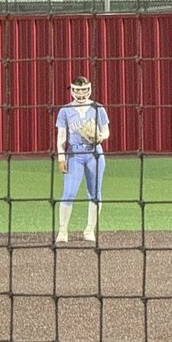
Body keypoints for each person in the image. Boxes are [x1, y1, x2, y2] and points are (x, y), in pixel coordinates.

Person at [55, 76, 111, 244]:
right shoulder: (65, 110)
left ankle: (89, 229)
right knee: (69, 193)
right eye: (77, 90)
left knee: (95, 193)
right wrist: (61, 156)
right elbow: (62, 136)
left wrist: (101, 137)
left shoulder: (97, 108)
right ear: (72, 90)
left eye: (83, 89)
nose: (80, 93)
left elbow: (106, 130)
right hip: (75, 154)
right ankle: (63, 230)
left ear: (89, 89)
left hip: (95, 153)